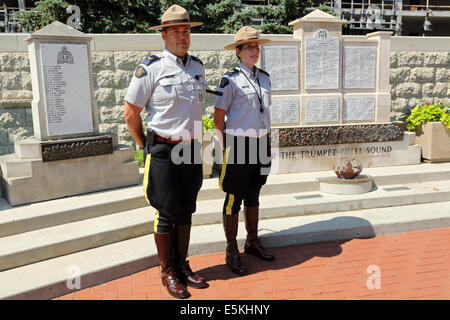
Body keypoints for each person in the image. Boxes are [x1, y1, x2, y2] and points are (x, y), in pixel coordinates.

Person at [123, 4, 208, 299]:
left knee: (186, 209)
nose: (182, 36)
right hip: (163, 149)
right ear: (164, 35)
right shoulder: (151, 68)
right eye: (176, 31)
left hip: (190, 149)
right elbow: (130, 112)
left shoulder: (197, 66)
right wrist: (145, 146)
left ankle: (182, 265)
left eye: (186, 31)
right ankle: (167, 271)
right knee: (166, 211)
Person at [214, 26, 275, 276]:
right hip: (238, 145)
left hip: (261, 142)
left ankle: (252, 241)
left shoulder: (265, 77)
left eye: (256, 46)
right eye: (249, 47)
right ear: (238, 51)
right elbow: (219, 117)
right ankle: (231, 249)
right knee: (233, 198)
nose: (254, 50)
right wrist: (224, 146)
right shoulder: (230, 80)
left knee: (254, 194)